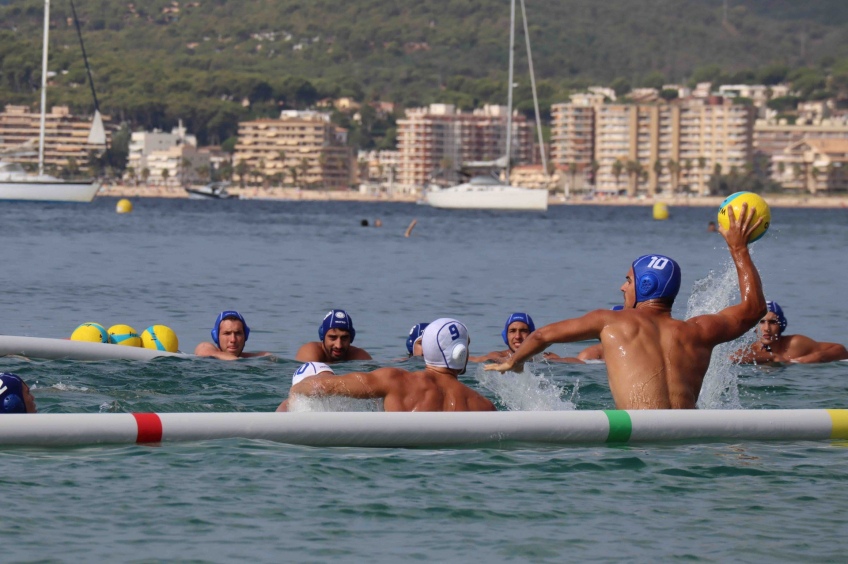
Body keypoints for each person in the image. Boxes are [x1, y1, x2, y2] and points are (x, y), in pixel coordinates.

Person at [485, 203, 767, 410]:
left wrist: (514, 362)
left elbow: (542, 336)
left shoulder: (610, 321)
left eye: (628, 280)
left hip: (638, 443)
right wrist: (738, 249)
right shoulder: (699, 330)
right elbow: (754, 309)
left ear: (644, 286)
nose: (622, 287)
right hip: (687, 442)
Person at [290, 318, 496, 412]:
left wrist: (298, 387)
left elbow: (325, 387)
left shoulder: (396, 381)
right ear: (462, 353)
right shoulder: (484, 406)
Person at [732, 300, 848, 364]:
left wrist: (818, 357)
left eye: (772, 322)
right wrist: (772, 357)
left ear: (781, 325)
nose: (766, 328)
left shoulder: (795, 344)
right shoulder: (751, 351)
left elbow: (840, 350)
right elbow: (733, 358)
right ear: (754, 327)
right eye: (761, 322)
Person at [295, 309, 372, 363]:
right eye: (332, 337)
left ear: (351, 338)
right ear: (323, 336)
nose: (338, 345)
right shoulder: (310, 351)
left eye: (344, 338)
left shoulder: (359, 356)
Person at [194, 311, 271, 360]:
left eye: (238, 333)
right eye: (227, 333)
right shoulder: (206, 347)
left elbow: (268, 356)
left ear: (245, 336)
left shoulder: (251, 359)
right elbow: (203, 351)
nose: (233, 340)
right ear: (216, 337)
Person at [469, 312, 538, 363]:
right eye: (512, 331)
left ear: (532, 335)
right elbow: (473, 359)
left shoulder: (541, 358)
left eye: (523, 331)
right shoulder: (497, 356)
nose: (518, 336)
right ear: (505, 336)